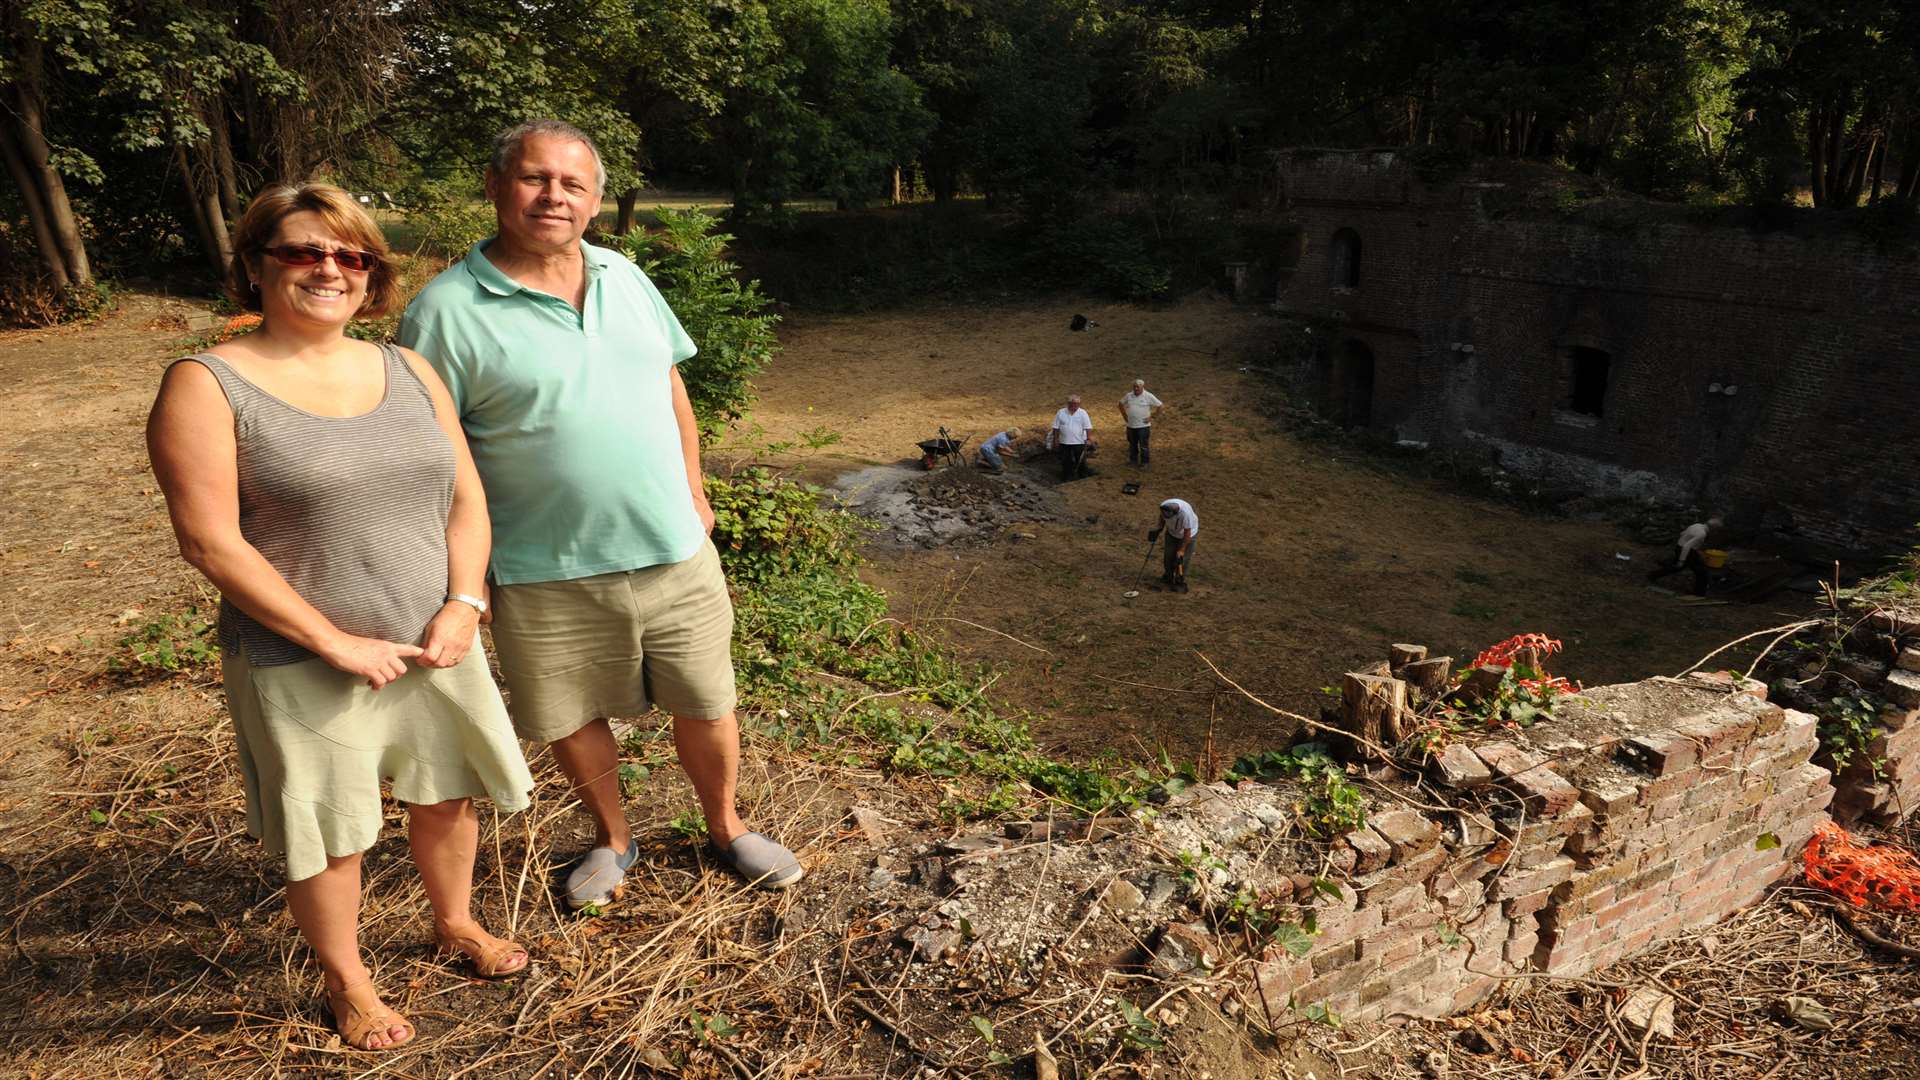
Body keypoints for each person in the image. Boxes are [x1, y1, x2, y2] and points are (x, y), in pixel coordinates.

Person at [146, 183, 536, 1051]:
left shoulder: (409, 367)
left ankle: (456, 923)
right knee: (331, 833)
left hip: (434, 636)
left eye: (351, 255)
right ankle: (348, 981)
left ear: (372, 275)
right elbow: (210, 543)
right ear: (255, 267)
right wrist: (332, 640)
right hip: (299, 657)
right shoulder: (207, 383)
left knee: (446, 795)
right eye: (302, 252)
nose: (330, 268)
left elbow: (465, 496)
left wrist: (465, 602)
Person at [397, 119, 802, 911]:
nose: (554, 196)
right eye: (534, 179)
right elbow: (436, 457)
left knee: (708, 701)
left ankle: (725, 826)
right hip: (542, 566)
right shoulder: (442, 311)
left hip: (673, 551)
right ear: (495, 186)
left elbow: (669, 385)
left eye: (572, 184)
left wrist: (694, 487)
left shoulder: (624, 275)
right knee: (570, 715)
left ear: (595, 199)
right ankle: (614, 837)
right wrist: (463, 580)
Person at [1647, 515, 1722, 596]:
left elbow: (1682, 533)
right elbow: (1687, 546)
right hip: (1687, 551)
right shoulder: (1702, 533)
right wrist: (1681, 560)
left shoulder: (1697, 525)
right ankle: (1698, 594)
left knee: (1677, 567)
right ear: (1713, 528)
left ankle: (1653, 575)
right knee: (1702, 572)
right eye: (1716, 530)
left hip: (1679, 547)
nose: (1716, 532)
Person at [1149, 498, 1199, 593]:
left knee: (1181, 559)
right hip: (1171, 533)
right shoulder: (1164, 505)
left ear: (1176, 513)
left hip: (1188, 535)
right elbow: (1162, 516)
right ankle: (1168, 576)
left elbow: (1187, 534)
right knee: (1168, 555)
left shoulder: (1185, 514)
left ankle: (1179, 581)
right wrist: (1159, 528)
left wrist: (1182, 550)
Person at [1046, 395, 1094, 480]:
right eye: (1072, 404)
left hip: (1079, 442)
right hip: (1064, 442)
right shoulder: (1060, 412)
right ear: (1068, 404)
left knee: (1080, 460)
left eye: (1076, 404)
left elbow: (1088, 427)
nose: (1074, 406)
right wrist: (1056, 439)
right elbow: (1056, 427)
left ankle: (1082, 475)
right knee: (1065, 460)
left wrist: (1089, 438)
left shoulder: (1083, 413)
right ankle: (1066, 476)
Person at [1117, 379, 1163, 467]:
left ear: (1142, 387)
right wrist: (1125, 416)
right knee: (1132, 445)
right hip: (1131, 425)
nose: (1136, 388)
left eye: (1138, 387)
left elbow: (1160, 406)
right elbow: (1120, 404)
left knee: (1143, 445)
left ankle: (1145, 462)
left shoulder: (1148, 396)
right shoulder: (1129, 395)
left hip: (1143, 426)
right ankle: (1133, 461)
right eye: (1134, 386)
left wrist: (1152, 416)